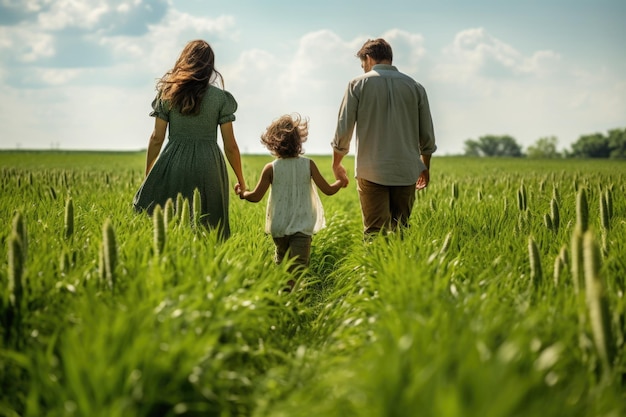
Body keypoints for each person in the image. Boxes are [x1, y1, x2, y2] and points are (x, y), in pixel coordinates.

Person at [133, 39, 246, 240]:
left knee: (169, 227)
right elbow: (231, 145)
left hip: (173, 162)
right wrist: (241, 179)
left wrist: (148, 172)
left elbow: (157, 137)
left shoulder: (168, 93)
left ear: (185, 60)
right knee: (211, 229)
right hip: (209, 165)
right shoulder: (220, 98)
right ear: (210, 66)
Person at [331, 38, 436, 238]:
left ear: (368, 59)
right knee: (400, 231)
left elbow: (343, 129)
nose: (363, 69)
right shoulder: (415, 86)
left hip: (371, 170)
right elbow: (427, 133)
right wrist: (425, 166)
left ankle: (374, 269)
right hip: (406, 171)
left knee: (374, 232)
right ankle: (400, 268)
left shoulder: (357, 84)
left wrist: (337, 163)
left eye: (363, 64)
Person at [236, 114, 345, 289]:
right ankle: (292, 300)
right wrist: (341, 181)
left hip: (279, 228)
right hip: (302, 227)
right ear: (299, 141)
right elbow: (328, 190)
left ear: (273, 143)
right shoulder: (308, 165)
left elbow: (255, 197)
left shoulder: (271, 168)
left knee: (283, 267)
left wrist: (243, 193)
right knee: (297, 270)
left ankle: (285, 299)